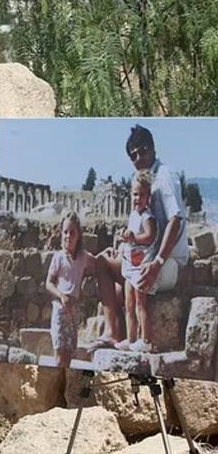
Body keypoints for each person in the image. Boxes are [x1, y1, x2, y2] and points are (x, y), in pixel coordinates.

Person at [92, 124, 188, 347]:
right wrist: (123, 248)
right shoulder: (145, 179)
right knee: (118, 288)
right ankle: (124, 339)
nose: (138, 158)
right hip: (153, 258)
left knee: (102, 263)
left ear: (153, 148)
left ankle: (115, 334)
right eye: (133, 155)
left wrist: (158, 262)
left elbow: (175, 220)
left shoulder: (163, 175)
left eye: (142, 151)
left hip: (166, 263)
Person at [45, 211, 95, 367]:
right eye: (65, 232)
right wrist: (61, 295)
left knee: (69, 355)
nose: (68, 236)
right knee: (60, 354)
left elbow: (96, 262)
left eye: (72, 233)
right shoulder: (58, 257)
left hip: (73, 311)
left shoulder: (83, 257)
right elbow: (49, 283)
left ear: (78, 235)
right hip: (60, 310)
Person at [116, 170, 158, 352]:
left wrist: (133, 238)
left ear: (148, 197)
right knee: (129, 304)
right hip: (130, 265)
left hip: (141, 266)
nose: (137, 198)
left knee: (141, 303)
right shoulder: (133, 215)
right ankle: (131, 339)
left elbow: (149, 237)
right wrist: (125, 237)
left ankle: (146, 340)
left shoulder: (148, 217)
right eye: (135, 194)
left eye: (141, 195)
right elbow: (131, 236)